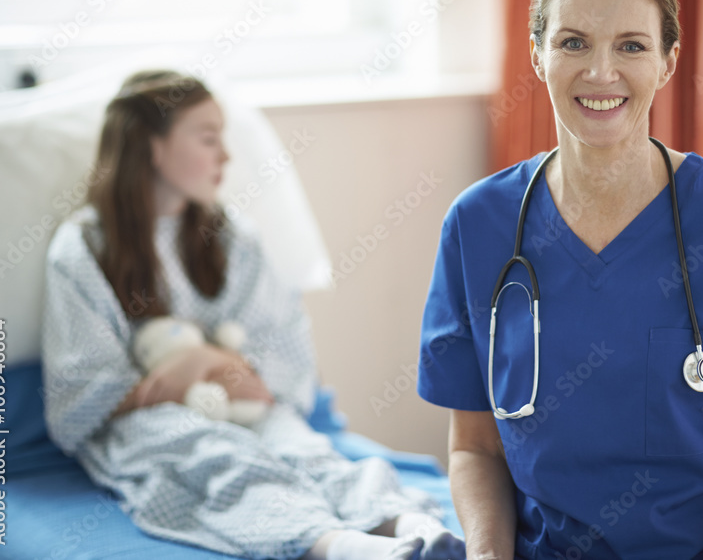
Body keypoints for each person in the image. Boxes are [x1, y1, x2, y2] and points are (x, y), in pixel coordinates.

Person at [417, 0, 703, 559]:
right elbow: (475, 445)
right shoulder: (479, 224)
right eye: (572, 42)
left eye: (630, 45)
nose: (600, 72)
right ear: (536, 55)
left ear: (668, 61)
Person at [41, 70, 467, 560]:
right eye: (207, 139)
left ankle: (412, 525)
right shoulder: (83, 250)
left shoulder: (232, 237)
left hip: (246, 404)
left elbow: (282, 370)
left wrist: (201, 361)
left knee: (305, 451)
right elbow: (76, 403)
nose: (225, 155)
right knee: (223, 463)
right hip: (149, 426)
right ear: (150, 146)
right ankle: (345, 548)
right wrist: (181, 376)